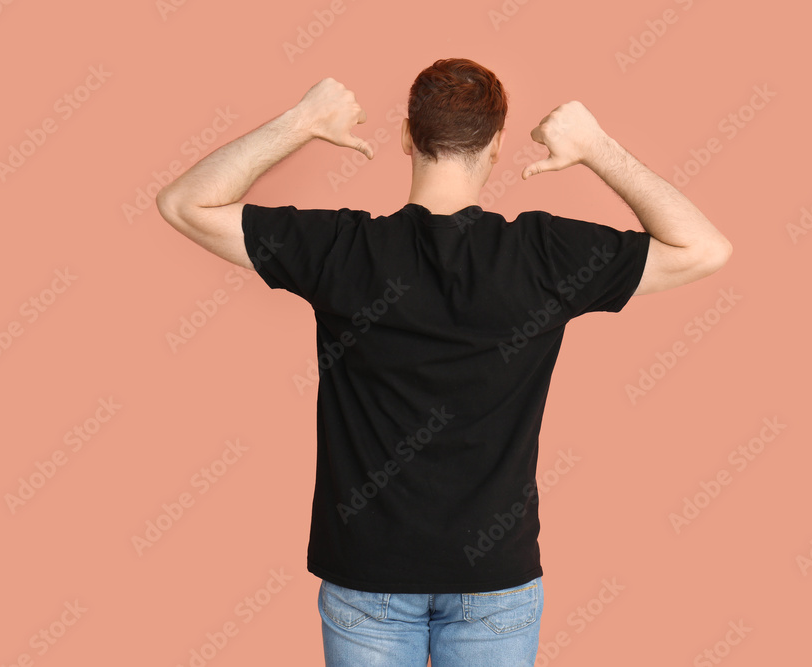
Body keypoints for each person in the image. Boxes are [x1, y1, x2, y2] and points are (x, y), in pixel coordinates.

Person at [157, 58, 732, 667]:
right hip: (495, 584)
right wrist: (595, 146)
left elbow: (185, 203)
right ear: (498, 144)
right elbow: (704, 247)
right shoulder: (546, 257)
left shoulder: (342, 251)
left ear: (408, 135)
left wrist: (302, 122)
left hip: (367, 575)